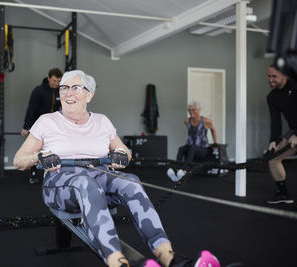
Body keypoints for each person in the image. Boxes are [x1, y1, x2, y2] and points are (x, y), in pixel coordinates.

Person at [14, 70, 220, 267]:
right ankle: (116, 261)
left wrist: (123, 155)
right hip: (60, 184)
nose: (68, 93)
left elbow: (124, 151)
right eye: (64, 88)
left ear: (89, 95)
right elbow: (19, 160)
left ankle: (169, 257)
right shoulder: (47, 121)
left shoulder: (102, 121)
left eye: (76, 87)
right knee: (86, 184)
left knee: (130, 181)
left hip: (98, 177)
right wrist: (39, 157)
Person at [20, 67, 62, 183]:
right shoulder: (38, 91)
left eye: (58, 81)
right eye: (54, 81)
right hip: (37, 125)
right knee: (35, 150)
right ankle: (33, 174)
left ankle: (53, 174)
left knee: (53, 149)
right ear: (48, 78)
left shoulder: (61, 91)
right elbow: (31, 109)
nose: (56, 83)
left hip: (53, 126)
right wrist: (26, 127)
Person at [265, 65, 297, 204]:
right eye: (269, 76)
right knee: (273, 160)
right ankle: (284, 193)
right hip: (293, 131)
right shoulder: (272, 97)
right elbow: (275, 120)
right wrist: (273, 140)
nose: (270, 79)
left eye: (274, 76)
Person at [167, 101, 217, 182]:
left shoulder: (206, 121)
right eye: (189, 110)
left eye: (193, 110)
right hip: (191, 146)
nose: (191, 112)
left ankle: (184, 171)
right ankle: (177, 171)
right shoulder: (187, 121)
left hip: (202, 149)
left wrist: (215, 143)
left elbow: (213, 130)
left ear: (199, 110)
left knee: (192, 148)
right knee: (181, 148)